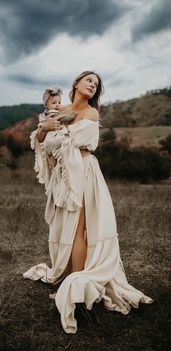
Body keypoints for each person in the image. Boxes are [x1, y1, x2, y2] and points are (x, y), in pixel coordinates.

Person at [23, 71, 153, 334]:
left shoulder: (91, 114)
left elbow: (68, 141)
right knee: (66, 226)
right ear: (76, 83)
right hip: (65, 173)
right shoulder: (62, 108)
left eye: (96, 84)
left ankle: (76, 284)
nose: (92, 85)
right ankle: (69, 276)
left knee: (80, 226)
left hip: (83, 171)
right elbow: (43, 142)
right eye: (88, 81)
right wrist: (43, 130)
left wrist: (51, 131)